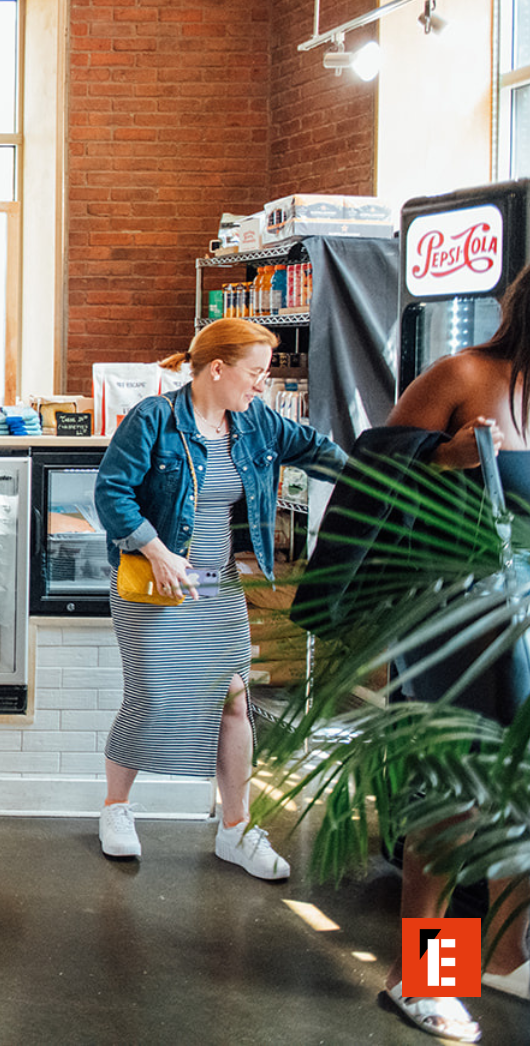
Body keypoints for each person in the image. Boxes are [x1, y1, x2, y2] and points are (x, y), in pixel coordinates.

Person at [92, 317, 346, 875]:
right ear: (218, 368)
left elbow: (327, 454)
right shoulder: (156, 420)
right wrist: (156, 549)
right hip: (156, 579)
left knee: (233, 700)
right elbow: (110, 492)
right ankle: (116, 809)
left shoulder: (257, 425)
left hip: (216, 584)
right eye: (255, 373)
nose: (261, 385)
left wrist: (412, 459)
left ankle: (235, 830)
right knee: (154, 695)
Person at [371, 268, 530, 1043]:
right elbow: (371, 476)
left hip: (526, 619)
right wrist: (447, 457)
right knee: (455, 802)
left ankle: (504, 958)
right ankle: (424, 978)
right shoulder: (464, 375)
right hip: (454, 619)